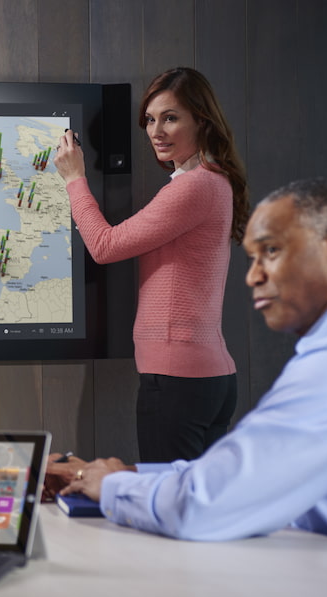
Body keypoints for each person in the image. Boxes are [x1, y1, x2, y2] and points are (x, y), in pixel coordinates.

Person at [50, 178, 327, 554]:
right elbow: (248, 477)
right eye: (251, 258)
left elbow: (203, 505)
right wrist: (122, 474)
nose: (253, 277)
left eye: (272, 251)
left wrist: (112, 486)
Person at [54, 67, 249, 462]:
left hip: (180, 379)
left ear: (202, 120)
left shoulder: (195, 187)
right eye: (150, 119)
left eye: (171, 117)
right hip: (202, 377)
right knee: (190, 509)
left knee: (167, 509)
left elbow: (105, 246)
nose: (156, 130)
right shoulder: (210, 180)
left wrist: (75, 178)